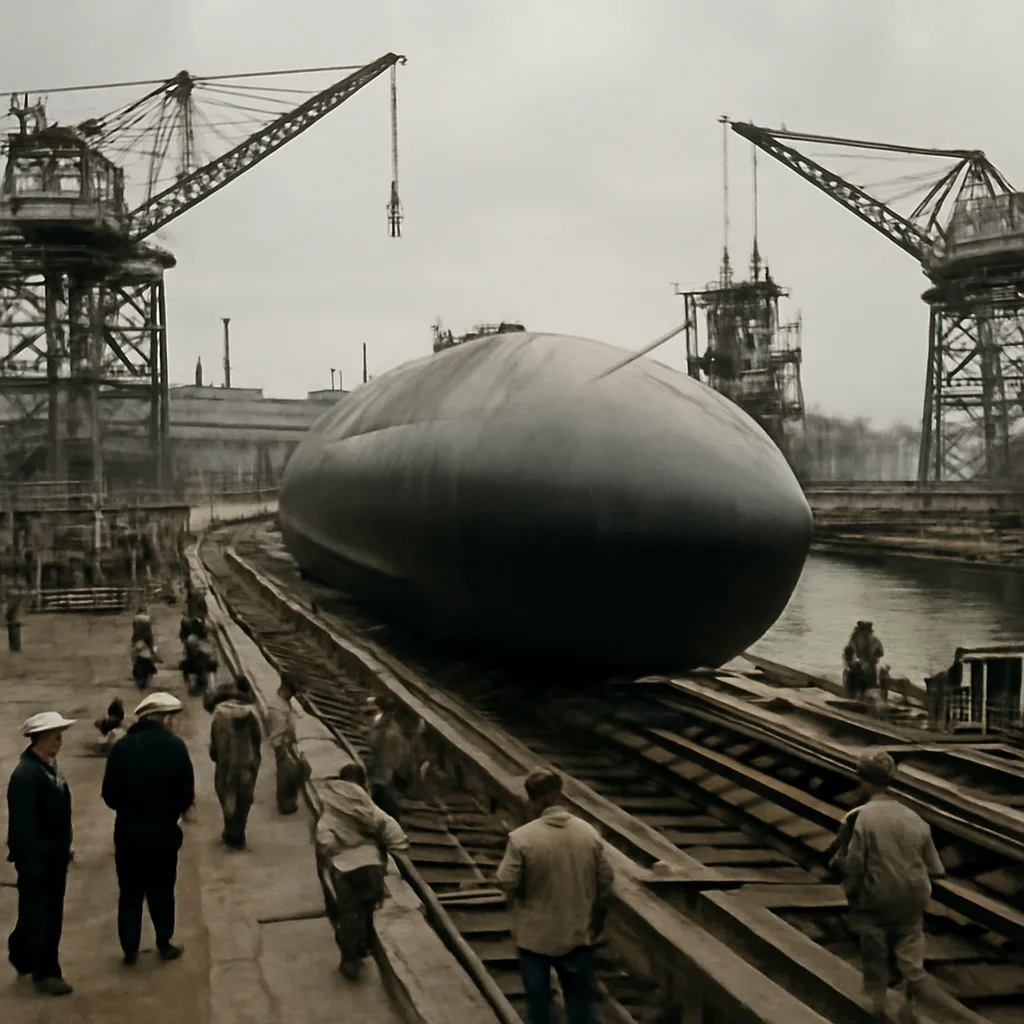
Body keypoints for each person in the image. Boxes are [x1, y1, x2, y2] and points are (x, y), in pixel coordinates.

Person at [495, 769, 614, 1024]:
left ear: (533, 800)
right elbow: (605, 879)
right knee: (580, 1002)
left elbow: (506, 881)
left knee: (539, 1003)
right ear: (560, 796)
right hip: (577, 934)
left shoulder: (521, 838)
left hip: (534, 938)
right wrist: (594, 915)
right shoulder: (588, 833)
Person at [836, 750, 946, 1023]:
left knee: (875, 956)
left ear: (864, 783)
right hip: (913, 902)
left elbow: (855, 865)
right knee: (911, 953)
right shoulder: (914, 818)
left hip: (877, 902)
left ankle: (877, 1008)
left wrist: (850, 894)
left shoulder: (863, 818)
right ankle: (912, 1005)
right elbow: (936, 869)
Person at [102, 691, 194, 966]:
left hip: (128, 833)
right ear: (164, 719)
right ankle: (164, 942)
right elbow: (186, 794)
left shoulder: (121, 748)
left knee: (130, 892)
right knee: (162, 889)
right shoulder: (176, 747)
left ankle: (129, 947)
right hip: (164, 833)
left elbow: (109, 795)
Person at [314, 762, 408, 980]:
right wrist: (398, 848)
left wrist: (332, 851)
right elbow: (391, 828)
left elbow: (324, 839)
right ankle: (364, 946)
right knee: (366, 910)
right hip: (371, 868)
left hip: (344, 869)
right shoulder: (367, 806)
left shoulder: (331, 807)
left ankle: (350, 960)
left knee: (348, 913)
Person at [6, 712, 77, 996]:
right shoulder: (26, 776)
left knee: (35, 912)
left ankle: (21, 953)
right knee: (45, 916)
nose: (60, 741)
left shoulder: (48, 768)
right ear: (41, 739)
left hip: (53, 856)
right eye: (56, 736)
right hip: (40, 859)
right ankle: (46, 971)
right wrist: (31, 864)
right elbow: (22, 827)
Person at [209, 675, 262, 849]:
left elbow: (214, 740)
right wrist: (256, 760)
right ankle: (239, 833)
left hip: (225, 764)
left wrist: (216, 754)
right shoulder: (252, 713)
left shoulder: (219, 713)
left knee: (226, 795)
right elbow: (257, 740)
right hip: (246, 764)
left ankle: (230, 829)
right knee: (244, 799)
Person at [266, 672, 305, 815]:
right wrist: (282, 750)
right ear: (285, 690)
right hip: (283, 745)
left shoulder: (284, 703)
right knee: (286, 775)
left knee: (294, 772)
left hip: (288, 744)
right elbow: (277, 733)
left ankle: (289, 800)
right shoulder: (276, 707)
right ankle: (285, 804)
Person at [843, 621, 885, 700]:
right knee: (853, 674)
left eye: (866, 633)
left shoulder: (874, 640)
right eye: (862, 632)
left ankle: (868, 695)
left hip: (870, 667)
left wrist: (871, 658)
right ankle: (853, 694)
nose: (864, 635)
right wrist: (853, 662)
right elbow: (848, 653)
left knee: (870, 681)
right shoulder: (854, 639)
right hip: (855, 667)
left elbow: (880, 653)